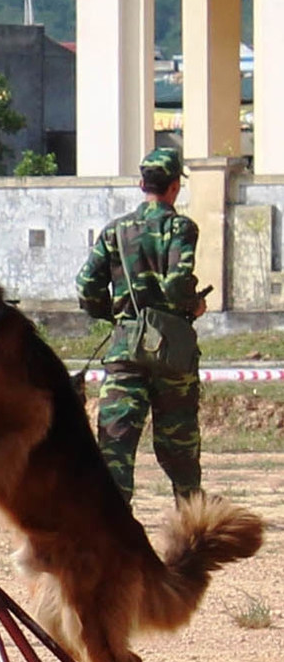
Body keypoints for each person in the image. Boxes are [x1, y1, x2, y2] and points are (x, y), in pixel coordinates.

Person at [76, 146, 207, 506]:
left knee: (115, 450)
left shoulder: (115, 231)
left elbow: (86, 286)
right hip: (172, 355)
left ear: (141, 184)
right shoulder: (180, 228)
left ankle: (113, 530)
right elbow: (177, 283)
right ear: (175, 186)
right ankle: (192, 522)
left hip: (126, 351)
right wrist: (193, 305)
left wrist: (116, 316)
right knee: (180, 449)